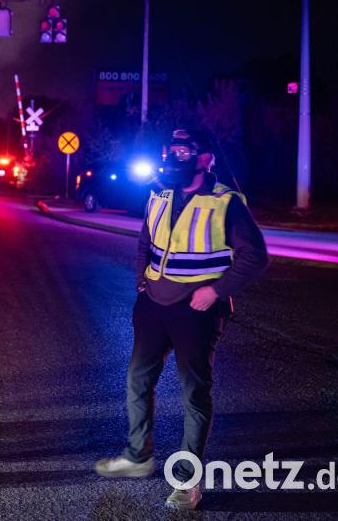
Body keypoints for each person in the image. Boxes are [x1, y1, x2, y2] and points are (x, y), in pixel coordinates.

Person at [94, 129, 269, 509]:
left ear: (205, 158)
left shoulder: (226, 203)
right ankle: (138, 456)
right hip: (153, 306)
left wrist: (214, 292)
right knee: (137, 380)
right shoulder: (159, 192)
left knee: (194, 393)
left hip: (197, 311)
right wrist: (143, 281)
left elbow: (255, 257)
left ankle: (188, 481)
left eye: (184, 151)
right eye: (170, 149)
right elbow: (145, 241)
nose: (174, 157)